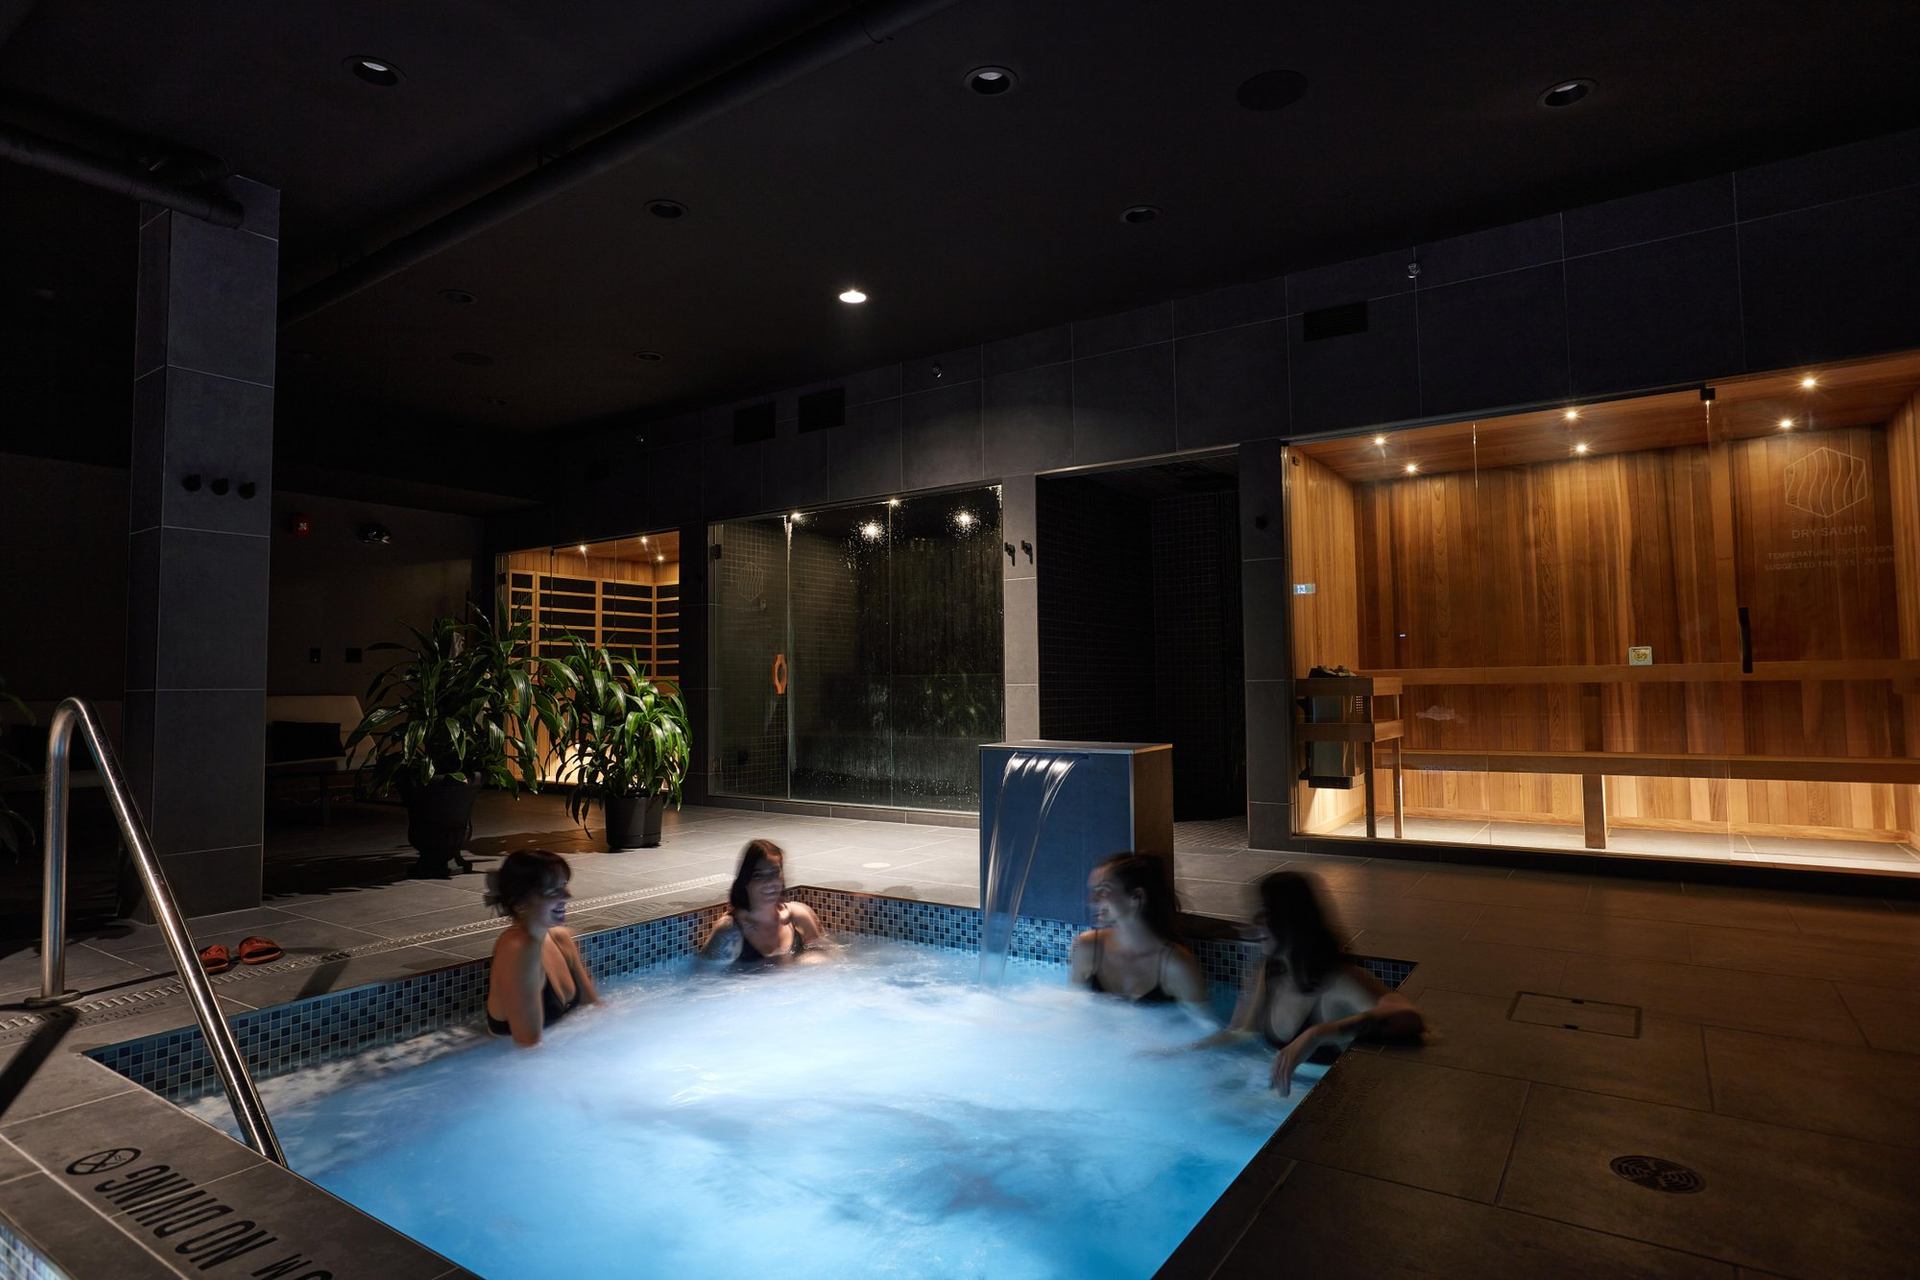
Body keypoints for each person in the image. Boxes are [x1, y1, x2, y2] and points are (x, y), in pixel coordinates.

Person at [1206, 871, 1424, 1094]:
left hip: (1321, 1100)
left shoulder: (1338, 982)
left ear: (1290, 920)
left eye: (1264, 915)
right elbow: (1242, 1031)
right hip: (1273, 1093)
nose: (1254, 925)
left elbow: (1409, 1017)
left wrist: (1318, 1033)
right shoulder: (1270, 971)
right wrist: (1183, 1054)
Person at [1069, 853, 1210, 1018]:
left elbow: (1202, 1029)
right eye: (1094, 890)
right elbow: (1074, 1016)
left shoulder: (1175, 966)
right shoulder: (1087, 948)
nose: (1092, 899)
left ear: (1136, 897)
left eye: (1103, 890)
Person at [484, 850, 600, 1046]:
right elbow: (528, 1045)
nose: (568, 895)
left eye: (564, 885)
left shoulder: (560, 938)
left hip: (562, 1049)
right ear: (520, 902)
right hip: (510, 1058)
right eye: (553, 890)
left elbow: (592, 1006)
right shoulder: (518, 950)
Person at [699, 839, 830, 965]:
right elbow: (705, 980)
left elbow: (830, 959)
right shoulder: (730, 932)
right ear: (745, 882)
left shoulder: (798, 917)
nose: (769, 882)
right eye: (759, 875)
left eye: (775, 873)